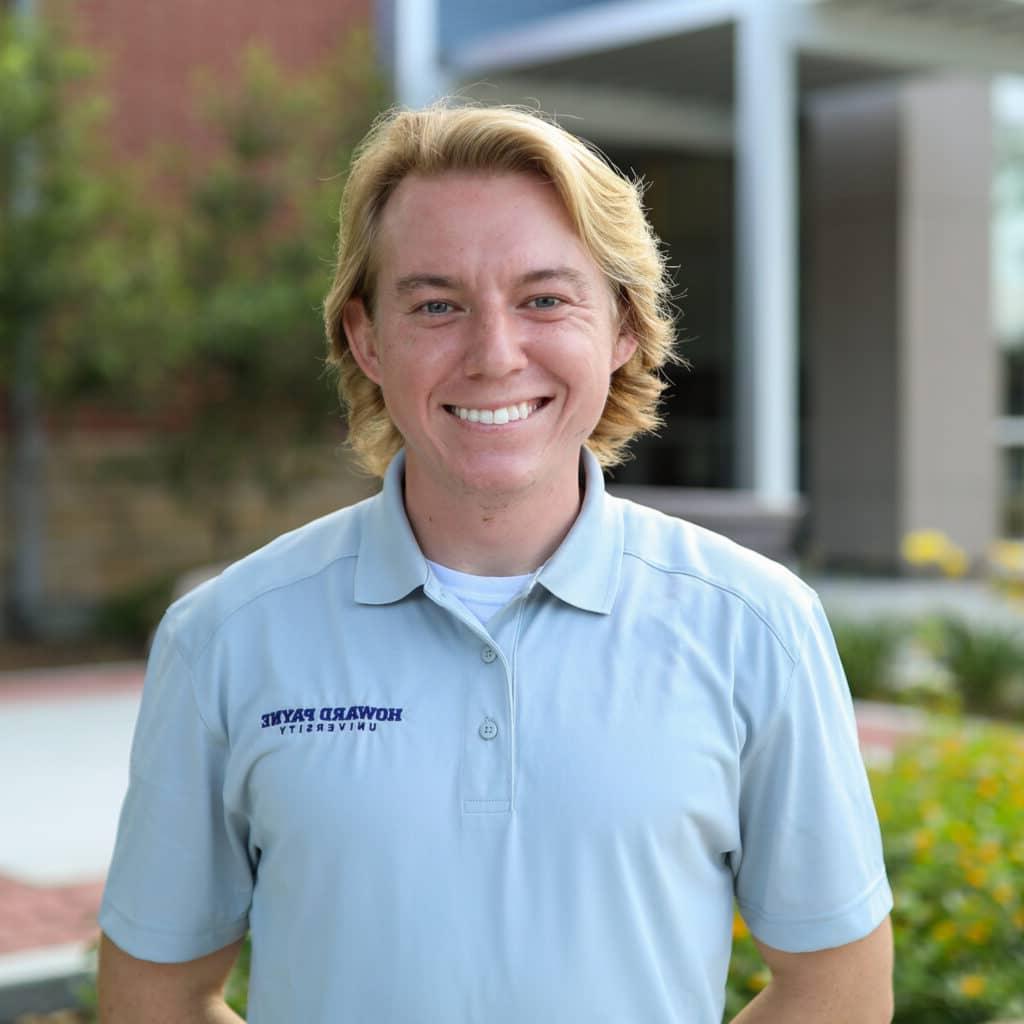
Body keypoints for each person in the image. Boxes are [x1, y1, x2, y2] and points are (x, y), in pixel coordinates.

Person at [97, 103, 894, 1023]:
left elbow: (838, 988)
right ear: (365, 338)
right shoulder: (225, 639)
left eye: (545, 299)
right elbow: (152, 997)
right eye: (437, 304)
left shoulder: (758, 625)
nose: (494, 354)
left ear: (624, 328)